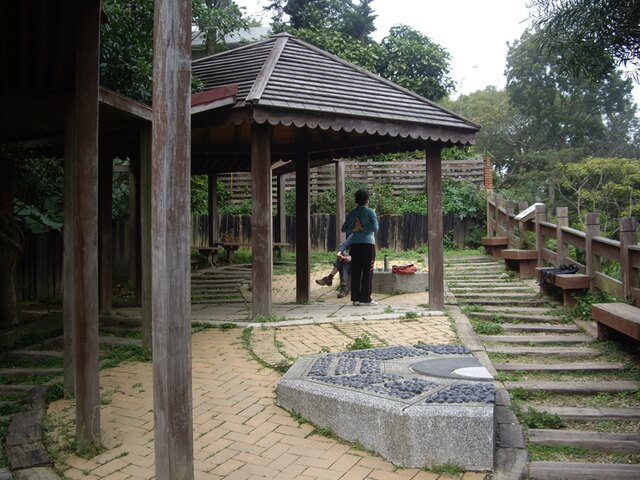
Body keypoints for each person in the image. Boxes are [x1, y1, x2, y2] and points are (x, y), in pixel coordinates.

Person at [341, 189, 379, 306]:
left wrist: (354, 229)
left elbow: (344, 228)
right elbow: (375, 228)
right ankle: (366, 298)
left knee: (356, 271)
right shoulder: (370, 212)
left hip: (355, 245)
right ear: (367, 200)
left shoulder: (352, 213)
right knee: (368, 272)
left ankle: (355, 298)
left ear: (356, 200)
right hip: (368, 245)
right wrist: (362, 228)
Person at [315, 234, 353, 298]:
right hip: (349, 262)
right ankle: (343, 288)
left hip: (359, 264)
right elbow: (344, 245)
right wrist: (340, 252)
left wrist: (351, 257)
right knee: (342, 260)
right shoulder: (353, 236)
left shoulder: (365, 238)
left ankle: (329, 279)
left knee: (343, 261)